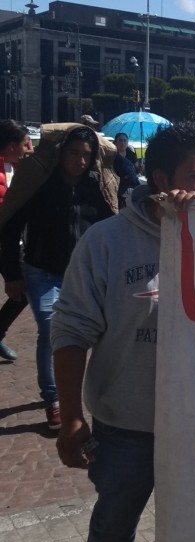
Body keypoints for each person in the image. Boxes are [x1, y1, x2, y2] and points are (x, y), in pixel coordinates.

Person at [52, 121, 195, 542]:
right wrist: (70, 419)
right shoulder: (106, 242)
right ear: (162, 180)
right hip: (127, 426)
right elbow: (71, 330)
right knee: (115, 521)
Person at [0, 126, 116, 430]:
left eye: (86, 155)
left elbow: (117, 223)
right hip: (41, 271)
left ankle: (78, 388)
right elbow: (10, 227)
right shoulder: (39, 185)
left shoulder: (98, 189)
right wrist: (12, 274)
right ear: (61, 153)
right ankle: (54, 400)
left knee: (94, 332)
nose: (79, 160)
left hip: (84, 274)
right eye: (73, 153)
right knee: (52, 331)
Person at [0, 119, 33, 361]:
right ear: (11, 146)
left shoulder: (12, 168)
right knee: (21, 287)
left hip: (7, 241)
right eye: (25, 144)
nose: (28, 150)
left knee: (23, 289)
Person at [112, 133, 140, 208]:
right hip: (117, 185)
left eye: (125, 140)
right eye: (120, 140)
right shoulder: (112, 155)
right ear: (115, 142)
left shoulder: (131, 154)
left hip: (130, 185)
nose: (123, 143)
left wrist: (139, 168)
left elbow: (136, 170)